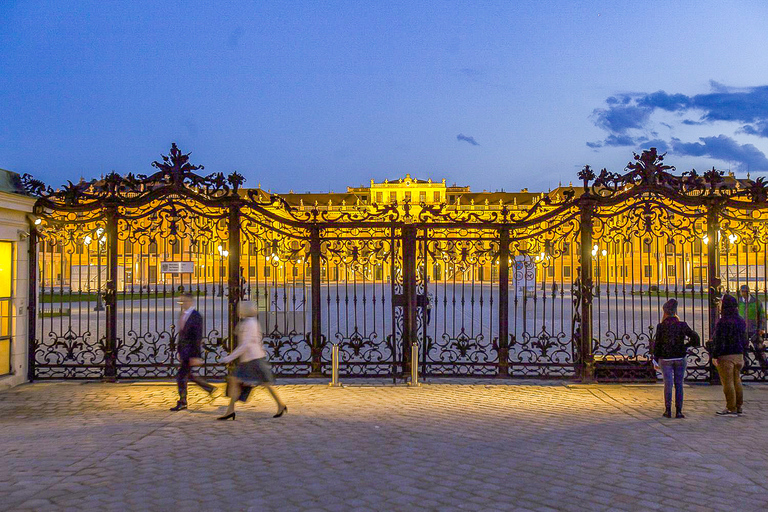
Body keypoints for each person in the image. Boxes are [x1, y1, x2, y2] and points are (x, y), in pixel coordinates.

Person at [217, 301, 287, 421]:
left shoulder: (250, 323)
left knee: (264, 382)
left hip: (253, 359)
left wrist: (229, 357)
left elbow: (246, 344)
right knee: (239, 381)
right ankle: (230, 410)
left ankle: (280, 405)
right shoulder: (247, 322)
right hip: (249, 359)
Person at [651, 299, 700, 418]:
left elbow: (657, 344)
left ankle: (667, 410)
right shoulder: (682, 325)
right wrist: (685, 346)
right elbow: (696, 337)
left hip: (666, 358)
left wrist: (655, 359)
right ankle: (679, 411)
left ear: (665, 312)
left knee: (668, 384)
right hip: (679, 357)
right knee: (679, 384)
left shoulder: (661, 326)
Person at [170, 292, 217, 411]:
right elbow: (181, 335)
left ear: (190, 301)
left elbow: (197, 337)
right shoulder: (182, 314)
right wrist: (179, 351)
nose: (182, 303)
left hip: (191, 352)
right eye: (181, 301)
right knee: (188, 375)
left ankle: (183, 401)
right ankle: (208, 388)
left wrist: (195, 355)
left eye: (184, 301)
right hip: (184, 352)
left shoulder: (196, 316)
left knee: (181, 376)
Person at [711, 294, 748, 416]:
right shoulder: (741, 320)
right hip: (739, 354)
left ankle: (731, 407)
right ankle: (739, 406)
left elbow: (719, 340)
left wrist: (715, 355)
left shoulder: (723, 322)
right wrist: (744, 351)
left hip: (726, 355)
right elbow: (745, 339)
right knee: (737, 380)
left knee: (728, 383)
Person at [738, 284, 767, 372]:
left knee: (759, 348)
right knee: (743, 349)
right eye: (742, 292)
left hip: (755, 329)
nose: (743, 293)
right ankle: (745, 367)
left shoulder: (756, 302)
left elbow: (762, 316)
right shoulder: (738, 302)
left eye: (745, 292)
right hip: (742, 329)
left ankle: (765, 368)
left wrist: (762, 328)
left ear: (748, 292)